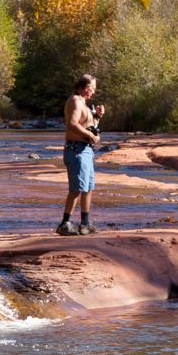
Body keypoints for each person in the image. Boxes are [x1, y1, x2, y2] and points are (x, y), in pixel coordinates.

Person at [59, 73, 102, 235]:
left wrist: (97, 116)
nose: (94, 92)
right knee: (76, 189)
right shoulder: (75, 101)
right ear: (84, 87)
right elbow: (72, 124)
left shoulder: (84, 103)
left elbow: (89, 125)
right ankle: (64, 223)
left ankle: (84, 223)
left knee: (88, 188)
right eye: (93, 88)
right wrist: (91, 136)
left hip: (85, 150)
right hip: (76, 150)